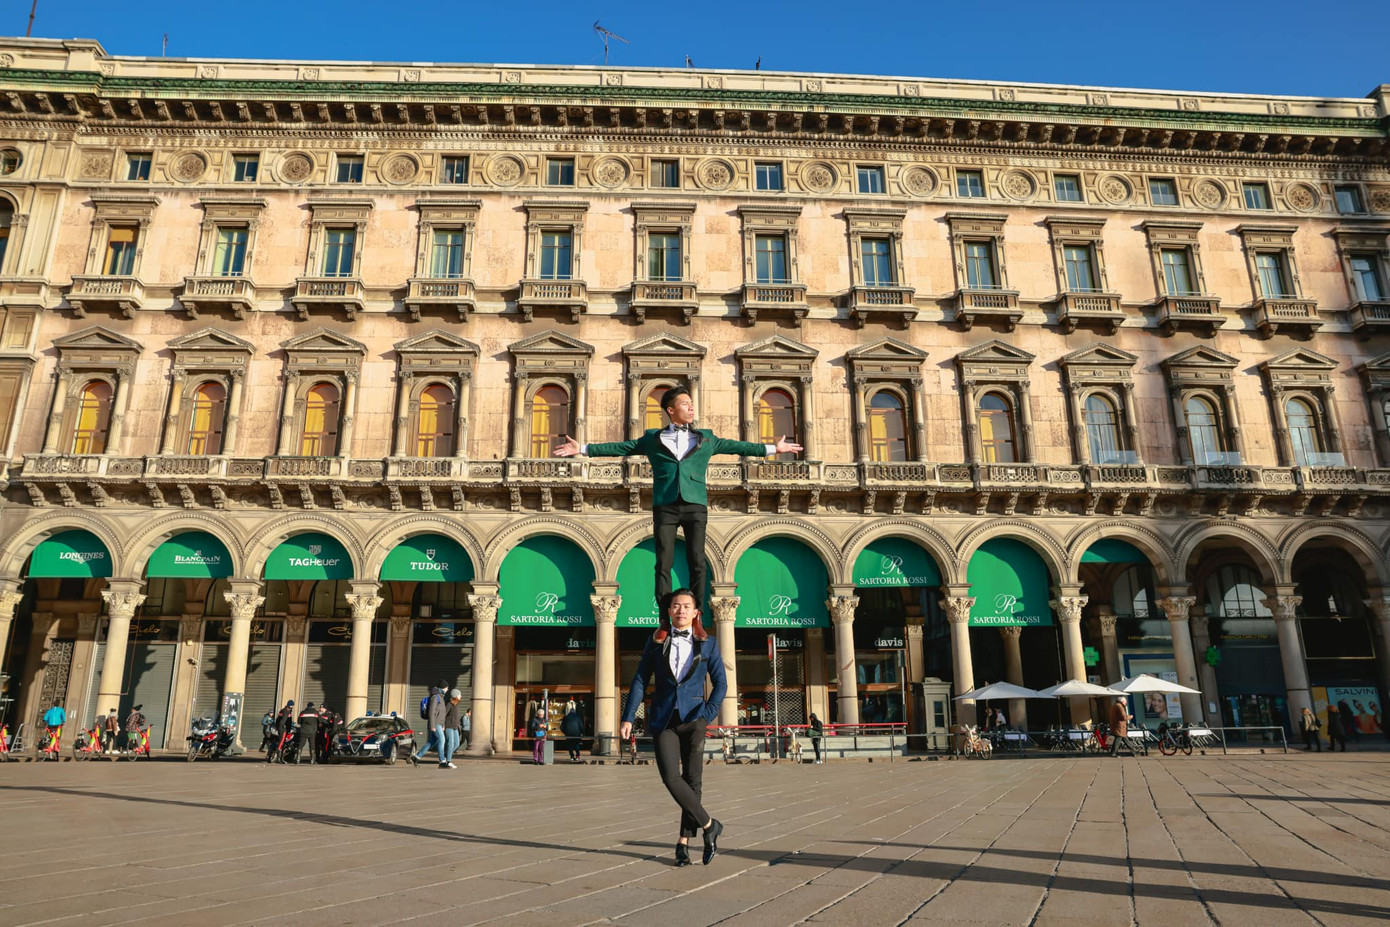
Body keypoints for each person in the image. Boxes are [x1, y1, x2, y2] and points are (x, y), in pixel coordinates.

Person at [557, 385, 800, 603]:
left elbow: (738, 446)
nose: (691, 407)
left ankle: (696, 616)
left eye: (691, 404)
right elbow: (622, 447)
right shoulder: (653, 438)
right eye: (685, 404)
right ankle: (665, 617)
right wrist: (584, 449)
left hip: (695, 503)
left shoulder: (706, 437)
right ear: (671, 410)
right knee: (663, 562)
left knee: (698, 562)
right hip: (665, 504)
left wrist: (772, 448)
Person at [620, 588, 728, 867]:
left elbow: (721, 684)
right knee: (671, 777)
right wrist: (628, 716)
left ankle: (683, 844)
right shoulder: (656, 642)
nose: (681, 610)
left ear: (695, 612)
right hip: (664, 719)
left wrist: (707, 714)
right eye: (676, 606)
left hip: (694, 719)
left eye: (686, 606)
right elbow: (641, 680)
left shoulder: (709, 644)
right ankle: (709, 825)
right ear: (669, 612)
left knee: (693, 783)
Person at [412, 682, 448, 768]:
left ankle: (417, 757)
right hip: (435, 723)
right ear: (442, 688)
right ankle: (442, 761)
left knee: (432, 742)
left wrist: (443, 724)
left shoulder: (441, 698)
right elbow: (431, 712)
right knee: (442, 740)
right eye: (446, 687)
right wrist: (432, 726)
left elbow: (442, 713)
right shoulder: (435, 697)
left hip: (439, 723)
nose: (447, 689)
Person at [441, 689, 461, 769]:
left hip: (455, 727)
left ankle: (445, 755)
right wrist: (443, 724)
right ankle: (448, 761)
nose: (461, 696)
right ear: (455, 696)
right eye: (459, 695)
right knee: (450, 743)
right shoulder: (449, 704)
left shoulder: (456, 705)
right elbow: (444, 714)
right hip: (449, 726)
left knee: (457, 744)